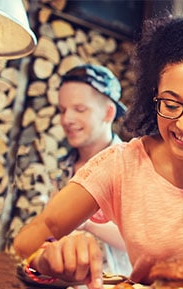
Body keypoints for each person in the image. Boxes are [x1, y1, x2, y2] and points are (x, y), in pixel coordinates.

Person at [13, 15, 183, 289]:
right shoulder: (121, 164)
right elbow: (28, 241)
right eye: (171, 104)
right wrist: (49, 257)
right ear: (154, 96)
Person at [54, 64, 131, 276]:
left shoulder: (134, 166)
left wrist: (85, 222)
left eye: (79, 109)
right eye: (62, 110)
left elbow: (149, 243)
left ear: (108, 113)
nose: (66, 119)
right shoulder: (60, 169)